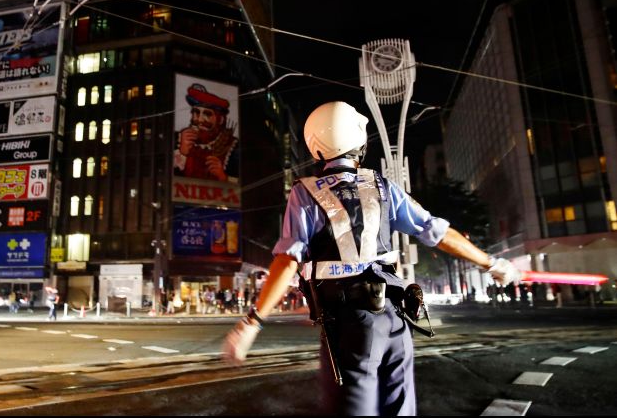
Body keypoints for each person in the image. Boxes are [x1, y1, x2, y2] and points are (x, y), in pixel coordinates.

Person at [221, 101, 521, 416]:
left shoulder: (305, 193)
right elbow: (437, 232)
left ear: (315, 147)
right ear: (358, 143)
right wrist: (492, 263)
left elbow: (287, 260)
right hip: (395, 319)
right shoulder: (382, 186)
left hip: (349, 327)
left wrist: (251, 323)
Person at [173, 83, 239, 183]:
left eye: (207, 114)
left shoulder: (233, 146)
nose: (199, 120)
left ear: (220, 120)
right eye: (196, 112)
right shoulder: (177, 138)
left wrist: (223, 177)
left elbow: (244, 184)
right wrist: (182, 153)